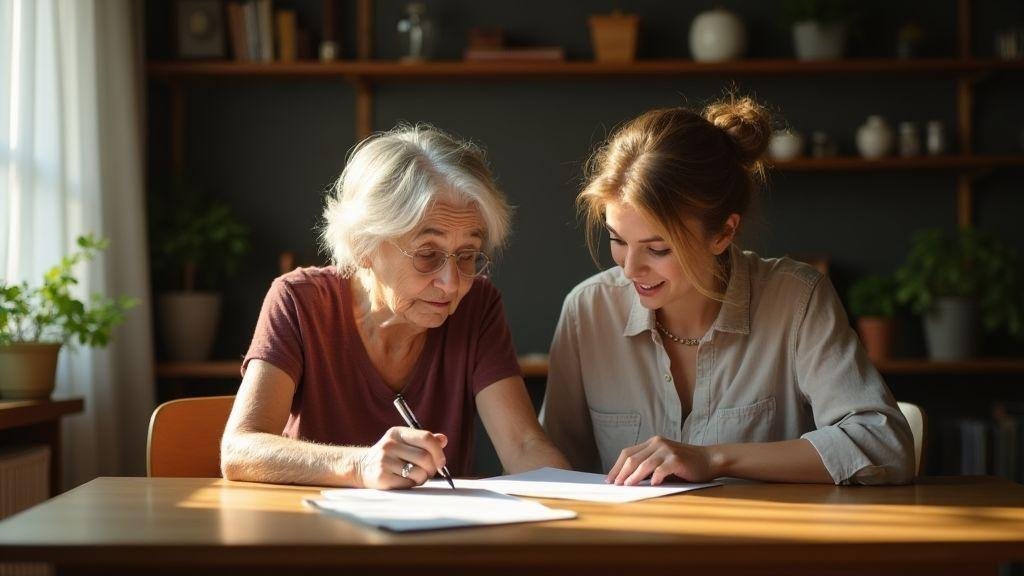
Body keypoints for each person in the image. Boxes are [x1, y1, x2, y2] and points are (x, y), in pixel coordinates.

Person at [540, 97, 915, 486]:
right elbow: (550, 468)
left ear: (723, 233)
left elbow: (884, 444)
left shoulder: (797, 300)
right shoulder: (587, 311)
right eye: (618, 240)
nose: (630, 268)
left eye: (658, 249)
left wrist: (715, 458)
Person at [221, 124, 569, 489]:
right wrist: (359, 466)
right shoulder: (299, 301)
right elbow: (240, 448)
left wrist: (584, 506)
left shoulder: (477, 306)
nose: (452, 284)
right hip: (317, 534)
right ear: (363, 246)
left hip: (435, 537)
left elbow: (524, 445)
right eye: (428, 254)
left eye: (468, 254)